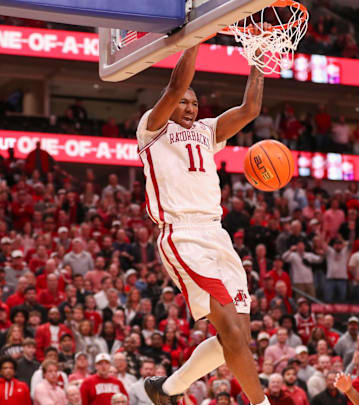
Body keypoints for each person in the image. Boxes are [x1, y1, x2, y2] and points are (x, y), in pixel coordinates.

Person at [137, 41, 269, 405]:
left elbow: (250, 109)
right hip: (183, 235)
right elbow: (176, 85)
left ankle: (167, 390)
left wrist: (258, 58)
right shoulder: (152, 129)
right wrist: (195, 35)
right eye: (185, 102)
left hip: (217, 234)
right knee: (229, 329)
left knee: (239, 335)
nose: (190, 106)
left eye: (195, 103)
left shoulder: (208, 130)